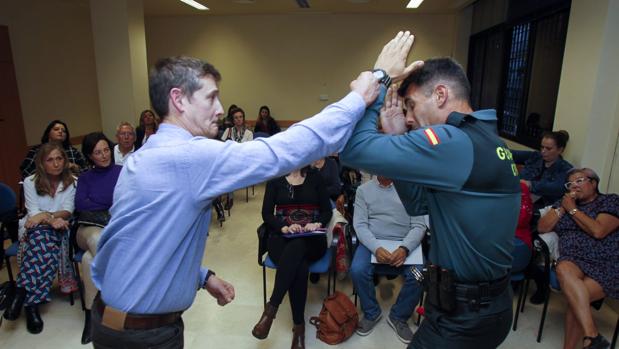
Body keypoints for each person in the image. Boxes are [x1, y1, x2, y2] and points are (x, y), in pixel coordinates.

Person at [89, 30, 407, 346]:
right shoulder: (187, 156)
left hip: (116, 323)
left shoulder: (147, 156)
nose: (220, 108)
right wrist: (372, 84)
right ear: (178, 99)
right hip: (141, 337)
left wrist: (200, 277)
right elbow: (283, 151)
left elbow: (139, 241)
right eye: (211, 97)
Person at [340, 50, 521, 347]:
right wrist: (398, 142)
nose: (408, 118)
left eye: (411, 106)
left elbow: (353, 151)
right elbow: (419, 204)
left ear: (440, 95)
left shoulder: (454, 142)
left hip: (465, 316)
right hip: (479, 306)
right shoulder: (486, 139)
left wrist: (377, 81)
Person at [537, 168, 618, 349]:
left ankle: (579, 344)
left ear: (594, 183)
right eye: (570, 183)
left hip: (604, 263)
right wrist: (562, 210)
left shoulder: (610, 201)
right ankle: (592, 336)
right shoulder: (563, 203)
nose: (573, 185)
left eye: (579, 180)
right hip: (572, 259)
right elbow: (542, 228)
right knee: (563, 267)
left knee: (578, 300)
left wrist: (572, 210)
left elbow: (598, 231)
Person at [251, 166, 332, 348]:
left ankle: (271, 310)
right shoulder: (276, 178)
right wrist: (283, 227)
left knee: (298, 246)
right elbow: (266, 213)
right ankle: (299, 329)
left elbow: (327, 211)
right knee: (299, 265)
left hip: (312, 238)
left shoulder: (315, 176)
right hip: (282, 236)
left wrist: (316, 223)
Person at [3, 143, 76, 334]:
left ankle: (22, 295)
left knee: (44, 242)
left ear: (65, 160)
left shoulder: (72, 181)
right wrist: (49, 218)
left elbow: (68, 210)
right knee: (43, 243)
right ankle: (31, 304)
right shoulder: (30, 181)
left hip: (61, 228)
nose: (56, 164)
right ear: (42, 163)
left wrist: (45, 217)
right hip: (36, 230)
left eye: (59, 159)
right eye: (50, 160)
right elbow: (33, 213)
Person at [350, 175, 425, 344]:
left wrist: (404, 248)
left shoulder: (412, 190)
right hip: (373, 245)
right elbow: (360, 225)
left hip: (404, 245)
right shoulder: (364, 190)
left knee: (419, 275)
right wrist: (376, 247)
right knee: (357, 269)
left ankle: (399, 316)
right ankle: (371, 312)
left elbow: (419, 225)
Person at [74, 132, 122, 344]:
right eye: (97, 152)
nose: (104, 155)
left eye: (106, 150)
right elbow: (81, 205)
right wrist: (108, 202)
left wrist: (97, 199)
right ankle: (117, 306)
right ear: (89, 156)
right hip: (87, 229)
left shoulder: (122, 171)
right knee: (96, 238)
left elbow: (126, 200)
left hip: (113, 229)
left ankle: (90, 317)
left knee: (88, 260)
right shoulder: (84, 178)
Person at [513, 130, 573, 209]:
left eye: (548, 148)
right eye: (542, 147)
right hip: (517, 199)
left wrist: (530, 184)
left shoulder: (566, 170)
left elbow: (553, 188)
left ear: (560, 150)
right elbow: (510, 154)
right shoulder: (535, 156)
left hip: (540, 210)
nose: (543, 151)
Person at [19, 119, 88, 178]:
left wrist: (74, 167)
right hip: (43, 187)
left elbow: (86, 171)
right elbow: (25, 171)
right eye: (56, 129)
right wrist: (47, 170)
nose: (60, 131)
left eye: (64, 131)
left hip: (71, 186)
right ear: (48, 133)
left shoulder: (73, 151)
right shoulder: (37, 150)